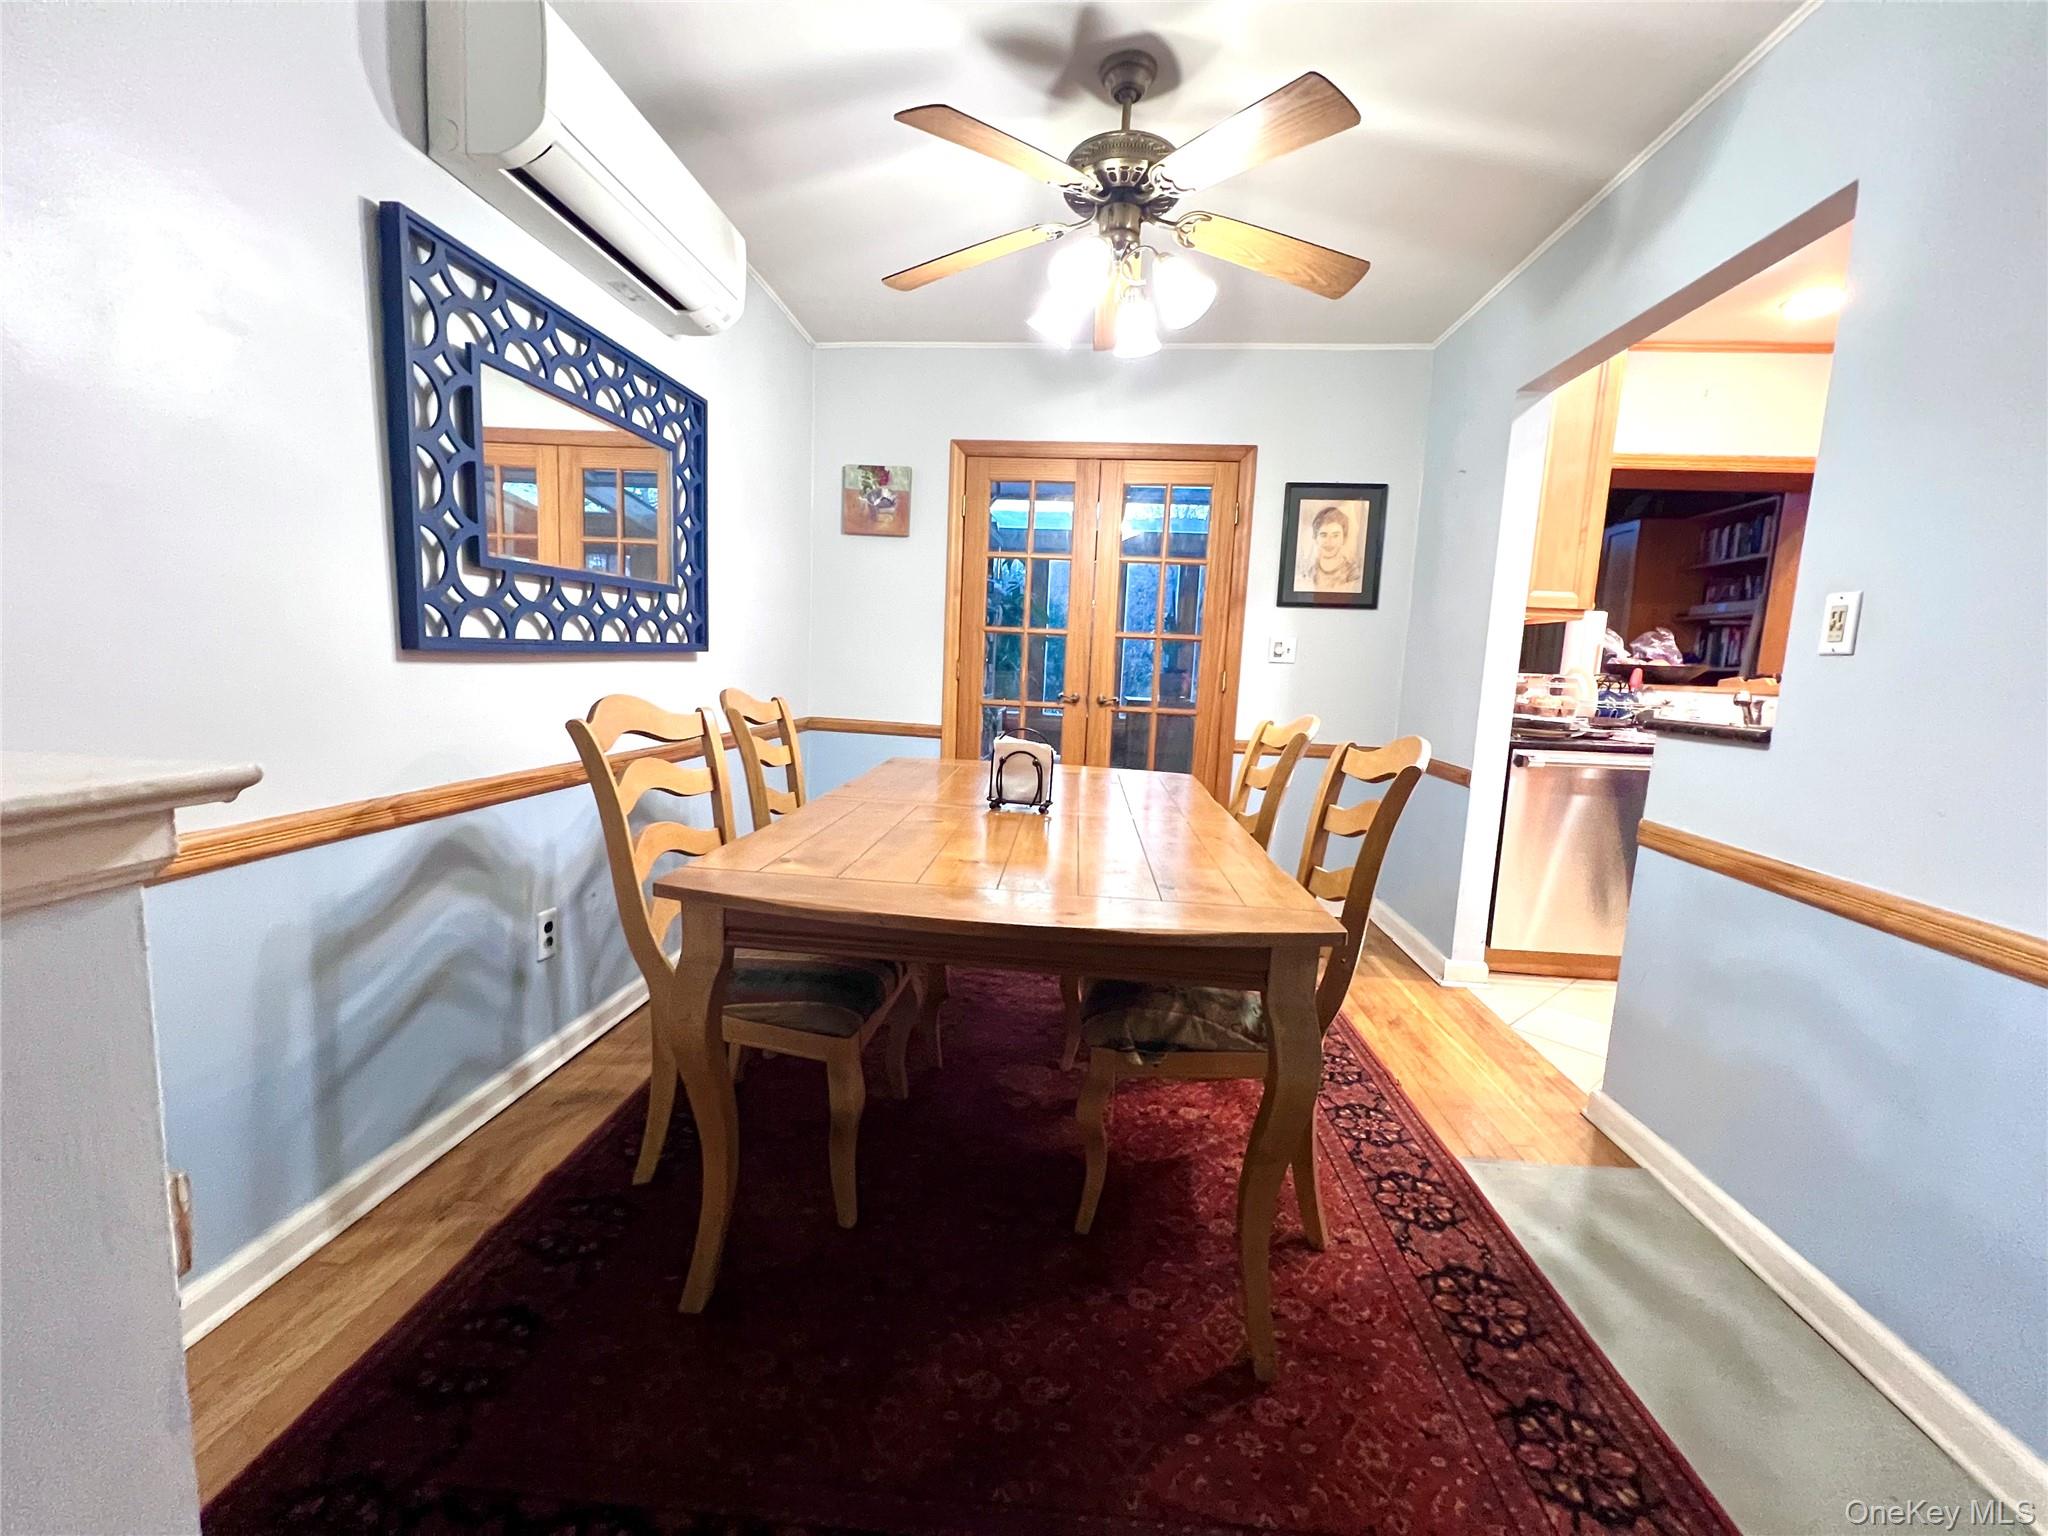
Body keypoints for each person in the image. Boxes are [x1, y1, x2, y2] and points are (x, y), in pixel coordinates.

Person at [1296, 503, 1363, 593]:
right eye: (1323, 535)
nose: (1329, 541)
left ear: (1344, 538)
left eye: (1335, 535)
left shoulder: (1352, 573)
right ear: (1315, 538)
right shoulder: (1310, 572)